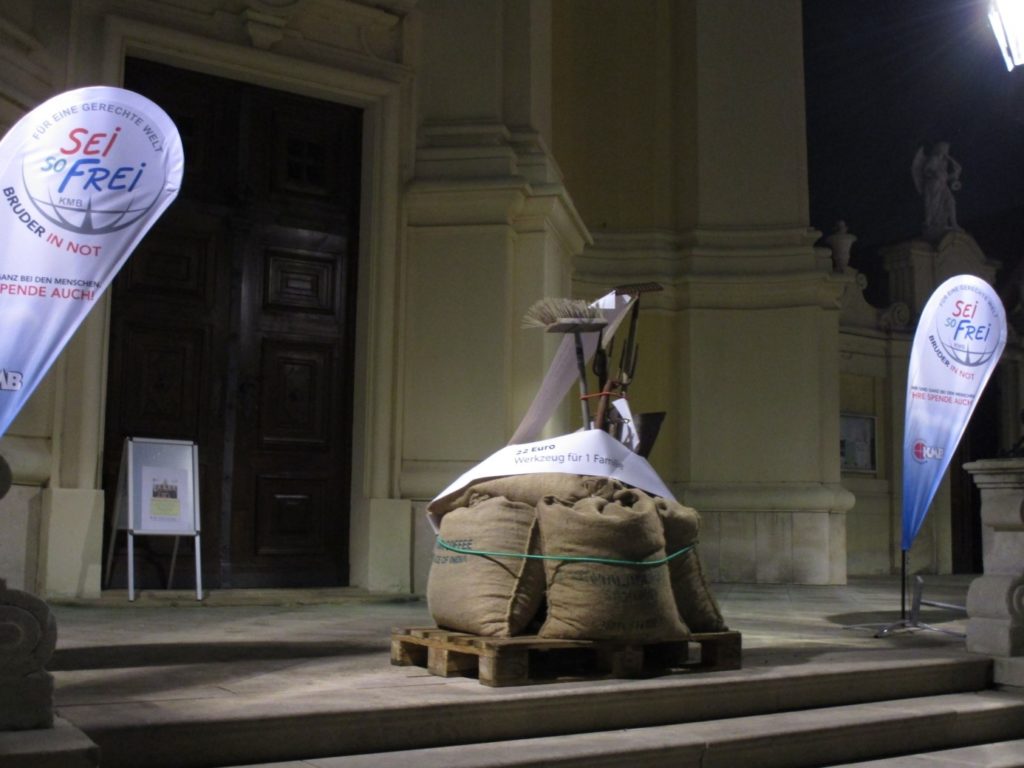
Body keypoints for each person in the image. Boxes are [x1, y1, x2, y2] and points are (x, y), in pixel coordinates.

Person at [911, 141, 962, 240]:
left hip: (943, 186)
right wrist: (935, 174)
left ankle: (954, 223)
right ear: (940, 149)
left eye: (947, 150)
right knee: (934, 204)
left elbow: (946, 177)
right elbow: (926, 171)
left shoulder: (944, 162)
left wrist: (955, 169)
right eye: (945, 149)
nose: (946, 151)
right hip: (933, 185)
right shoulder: (934, 159)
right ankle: (932, 223)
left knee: (951, 202)